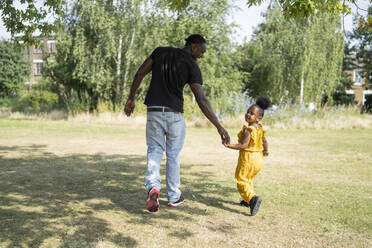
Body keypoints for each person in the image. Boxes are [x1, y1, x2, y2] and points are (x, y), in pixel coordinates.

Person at [124, 34, 230, 212]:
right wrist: (219, 126)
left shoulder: (160, 52)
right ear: (193, 46)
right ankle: (173, 196)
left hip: (154, 111)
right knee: (173, 154)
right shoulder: (191, 66)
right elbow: (202, 100)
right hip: (174, 115)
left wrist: (131, 98)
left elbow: (140, 72)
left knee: (154, 150)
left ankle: (153, 188)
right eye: (201, 51)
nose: (202, 55)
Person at [224, 96, 271, 216]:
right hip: (259, 159)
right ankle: (247, 200)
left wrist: (230, 145)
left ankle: (252, 199)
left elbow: (243, 145)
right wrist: (265, 151)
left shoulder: (248, 130)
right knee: (248, 179)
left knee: (241, 179)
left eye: (252, 114)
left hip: (249, 158)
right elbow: (265, 141)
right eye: (248, 112)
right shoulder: (260, 128)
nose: (248, 115)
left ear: (259, 118)